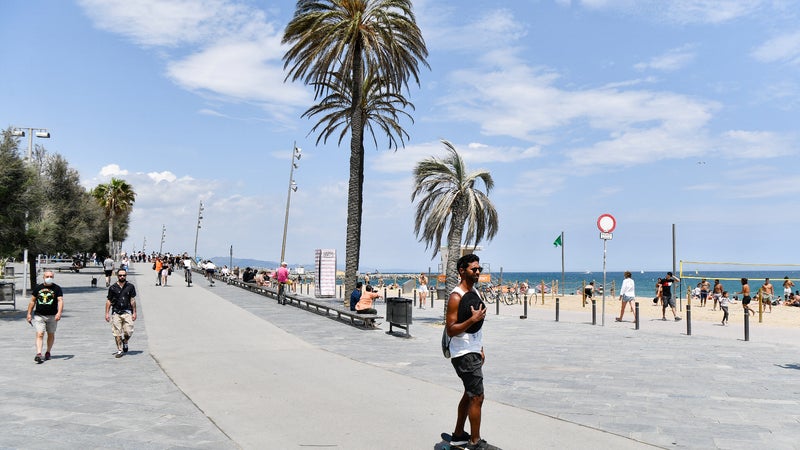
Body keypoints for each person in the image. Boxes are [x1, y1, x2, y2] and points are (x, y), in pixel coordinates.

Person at [445, 254, 497, 450]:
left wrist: (479, 348)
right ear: (462, 271)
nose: (477, 272)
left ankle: (458, 435)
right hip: (463, 353)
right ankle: (475, 442)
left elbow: (476, 327)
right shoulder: (456, 296)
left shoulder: (473, 291)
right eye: (473, 269)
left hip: (472, 350)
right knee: (477, 397)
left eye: (479, 269)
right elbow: (451, 329)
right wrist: (472, 320)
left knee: (469, 394)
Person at [26, 270, 64, 363]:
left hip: (52, 315)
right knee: (40, 334)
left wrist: (59, 313)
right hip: (39, 315)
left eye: (51, 276)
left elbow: (60, 301)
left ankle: (48, 352)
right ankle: (39, 353)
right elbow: (32, 301)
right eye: (47, 276)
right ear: (43, 277)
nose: (49, 278)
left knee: (50, 334)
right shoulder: (38, 288)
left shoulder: (57, 288)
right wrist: (29, 313)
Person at [105, 268, 137, 358]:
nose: (122, 277)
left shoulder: (130, 286)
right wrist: (107, 313)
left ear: (126, 276)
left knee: (128, 331)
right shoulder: (112, 288)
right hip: (116, 312)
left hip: (127, 311)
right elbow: (109, 301)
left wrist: (134, 312)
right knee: (117, 333)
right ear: (117, 276)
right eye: (120, 275)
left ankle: (125, 341)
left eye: (124, 275)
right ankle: (119, 350)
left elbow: (133, 300)